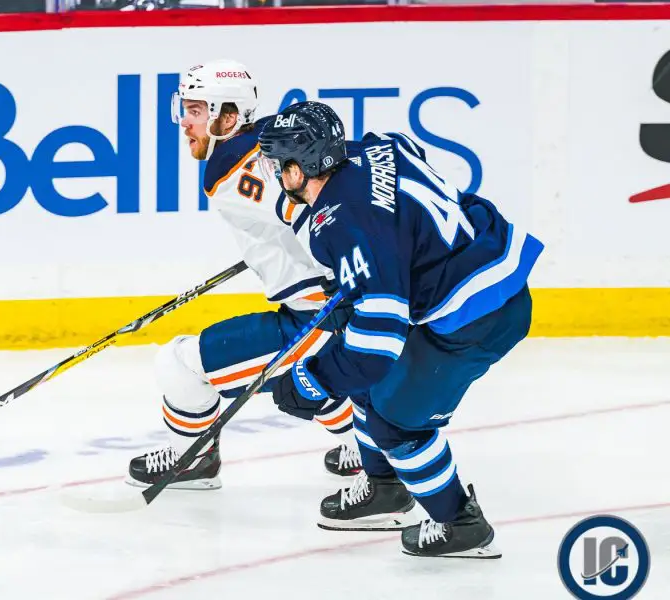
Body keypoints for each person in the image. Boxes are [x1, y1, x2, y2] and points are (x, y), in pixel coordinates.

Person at [258, 101, 543, 558]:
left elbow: (377, 346)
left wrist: (313, 380)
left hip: (478, 313)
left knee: (394, 419)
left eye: (278, 165)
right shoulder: (373, 148)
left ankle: (461, 524)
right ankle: (386, 489)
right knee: (360, 370)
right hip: (484, 262)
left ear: (300, 168)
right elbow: (405, 162)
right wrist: (369, 270)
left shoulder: (345, 224)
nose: (275, 174)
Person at [126, 61, 364, 490]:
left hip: (321, 316)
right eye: (185, 108)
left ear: (228, 117)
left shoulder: (231, 168)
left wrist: (337, 273)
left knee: (178, 363)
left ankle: (192, 461)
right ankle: (362, 444)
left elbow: (309, 215)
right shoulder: (271, 136)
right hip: (337, 309)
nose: (185, 122)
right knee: (305, 369)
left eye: (196, 111)